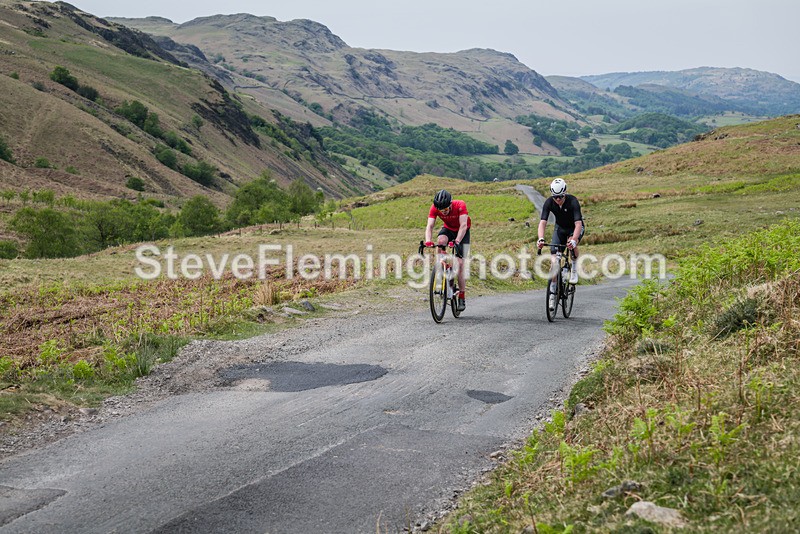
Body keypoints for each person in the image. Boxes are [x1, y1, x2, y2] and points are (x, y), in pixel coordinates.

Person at [536, 178, 584, 312]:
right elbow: (543, 222)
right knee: (554, 262)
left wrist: (574, 240)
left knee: (572, 244)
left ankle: (574, 268)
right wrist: (540, 239)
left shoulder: (573, 201)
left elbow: (578, 224)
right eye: (555, 197)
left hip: (574, 228)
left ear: (565, 193)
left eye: (560, 197)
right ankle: (552, 294)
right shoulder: (549, 202)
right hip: (560, 229)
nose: (558, 199)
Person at [424, 189, 471, 311]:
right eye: (441, 210)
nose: (443, 212)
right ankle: (442, 266)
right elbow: (430, 226)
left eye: (445, 209)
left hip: (462, 232)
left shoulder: (460, 205)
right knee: (440, 241)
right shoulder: (434, 208)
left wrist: (457, 241)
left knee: (460, 264)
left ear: (450, 204)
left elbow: (463, 226)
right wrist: (428, 240)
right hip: (448, 229)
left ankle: (461, 296)